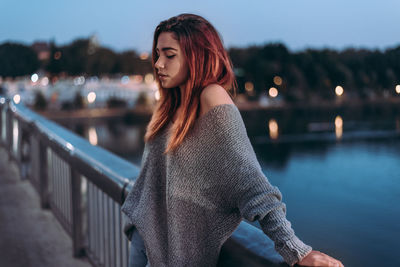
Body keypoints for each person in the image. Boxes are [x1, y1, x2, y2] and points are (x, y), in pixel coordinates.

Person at [121, 13, 344, 267]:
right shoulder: (171, 104)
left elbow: (250, 180)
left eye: (169, 55)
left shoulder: (212, 96)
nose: (159, 64)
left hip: (166, 249)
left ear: (197, 56)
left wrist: (295, 249)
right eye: (157, 54)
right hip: (144, 238)